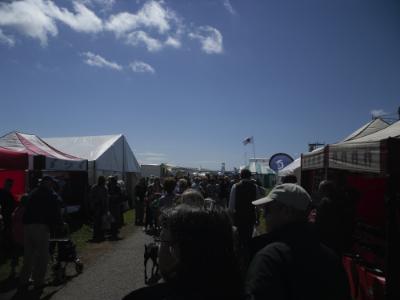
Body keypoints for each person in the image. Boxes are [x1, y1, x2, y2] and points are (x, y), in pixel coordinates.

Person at [245, 183, 350, 300]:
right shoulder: (332, 259)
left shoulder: (270, 257)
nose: (264, 216)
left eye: (268, 209)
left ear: (286, 212)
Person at [123, 205, 243, 300]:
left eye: (163, 241)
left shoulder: (144, 297)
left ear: (177, 251)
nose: (160, 248)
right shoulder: (244, 290)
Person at [18, 176, 63, 293]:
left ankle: (24, 280)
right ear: (48, 184)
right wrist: (59, 224)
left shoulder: (33, 192)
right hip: (41, 226)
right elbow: (57, 206)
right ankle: (38, 282)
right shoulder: (50, 194)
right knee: (43, 256)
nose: (52, 185)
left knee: (29, 255)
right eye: (52, 183)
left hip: (27, 226)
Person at [229, 169, 259, 251]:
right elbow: (257, 205)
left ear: (240, 176)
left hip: (239, 217)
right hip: (250, 216)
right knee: (249, 239)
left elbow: (231, 206)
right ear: (250, 176)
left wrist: (231, 219)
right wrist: (257, 218)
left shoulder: (235, 186)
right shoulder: (255, 187)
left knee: (238, 239)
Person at [89, 176, 109, 242]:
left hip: (103, 207)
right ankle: (96, 235)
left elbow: (106, 198)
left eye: (103, 180)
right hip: (97, 207)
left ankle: (102, 235)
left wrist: (106, 208)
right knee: (96, 222)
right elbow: (91, 197)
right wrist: (94, 204)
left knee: (103, 222)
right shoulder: (95, 188)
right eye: (101, 180)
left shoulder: (105, 188)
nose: (102, 181)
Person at [107, 176, 122, 240]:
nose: (113, 183)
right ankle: (112, 232)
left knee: (116, 218)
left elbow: (120, 196)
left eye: (114, 181)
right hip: (111, 205)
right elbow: (107, 195)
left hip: (116, 205)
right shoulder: (108, 188)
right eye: (112, 181)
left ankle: (114, 232)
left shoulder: (117, 188)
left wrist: (114, 197)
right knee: (112, 218)